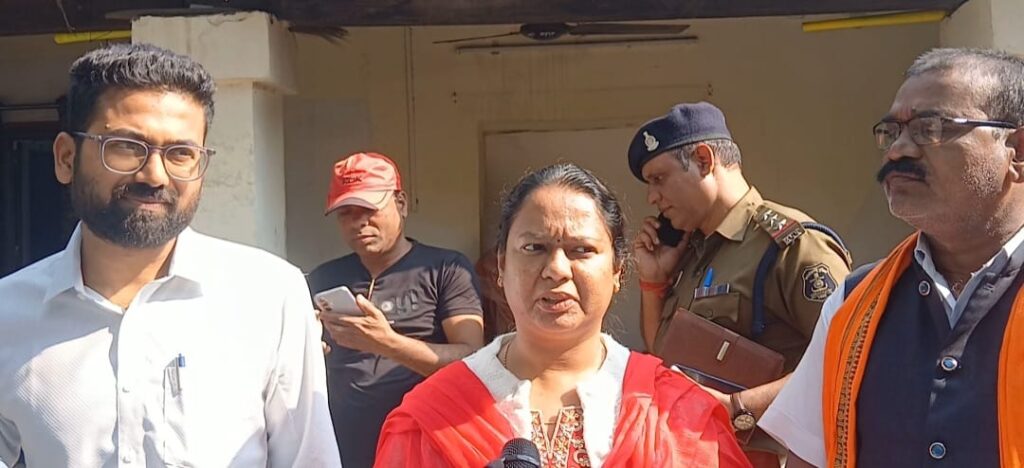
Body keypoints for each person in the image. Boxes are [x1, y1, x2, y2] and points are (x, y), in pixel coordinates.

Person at [0, 43, 340, 467]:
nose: (155, 175)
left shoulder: (269, 295)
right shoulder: (9, 314)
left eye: (181, 154)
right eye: (126, 147)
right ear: (66, 158)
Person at [374, 163, 751, 467]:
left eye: (581, 250)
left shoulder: (678, 413)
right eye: (534, 247)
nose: (556, 269)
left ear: (618, 271)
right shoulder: (430, 417)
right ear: (502, 267)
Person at [759, 48, 1024, 468]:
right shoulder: (853, 303)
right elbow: (808, 457)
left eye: (929, 128)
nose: (898, 150)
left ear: (1017, 150)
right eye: (892, 131)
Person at [628, 102, 852, 462]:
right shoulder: (691, 251)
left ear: (703, 160)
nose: (652, 197)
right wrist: (653, 283)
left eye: (658, 179)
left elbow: (850, 359)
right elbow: (664, 353)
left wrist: (737, 407)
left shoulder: (789, 244)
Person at [307, 152, 485, 467]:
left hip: (421, 444)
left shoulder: (445, 269)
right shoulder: (323, 278)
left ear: (401, 204)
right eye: (346, 213)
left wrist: (386, 342)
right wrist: (308, 352)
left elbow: (473, 361)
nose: (358, 222)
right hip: (340, 447)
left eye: (368, 209)